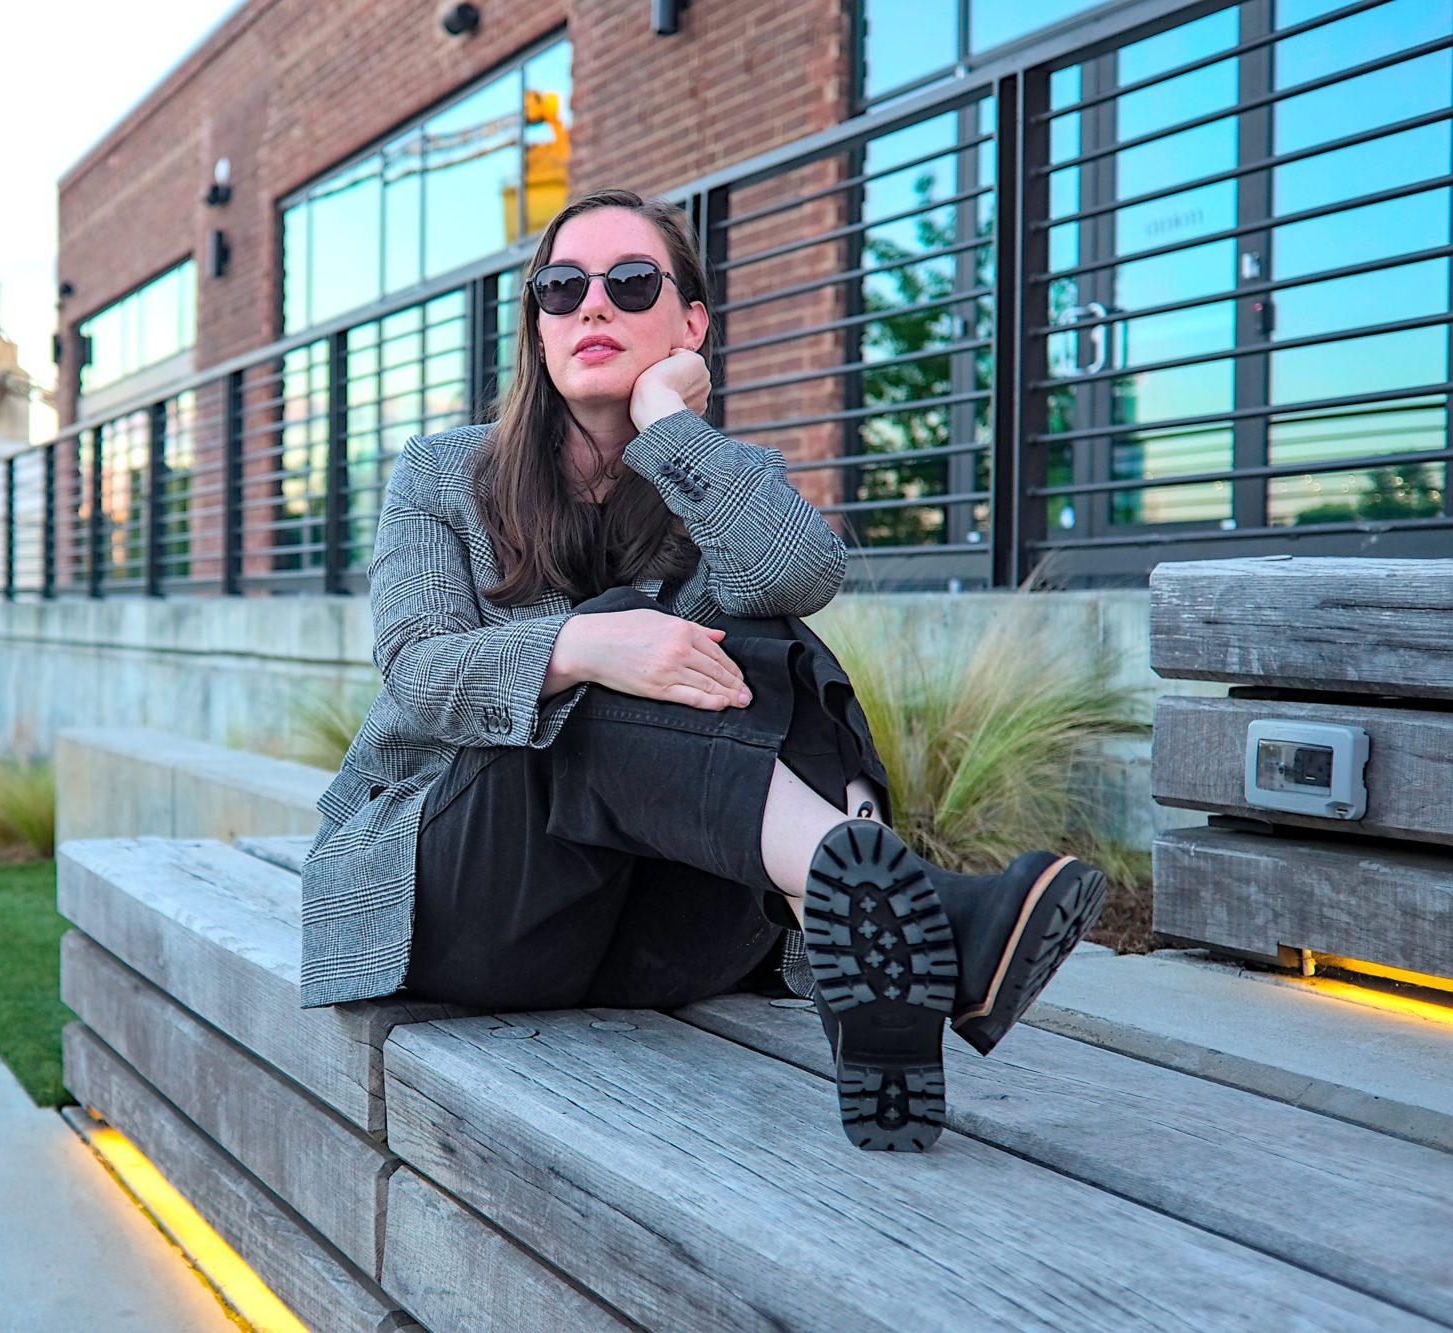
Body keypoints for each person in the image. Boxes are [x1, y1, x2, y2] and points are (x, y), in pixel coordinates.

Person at [298, 187, 1108, 1152]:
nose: (591, 306)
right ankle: (919, 907)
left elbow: (802, 574)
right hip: (467, 904)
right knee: (602, 655)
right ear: (539, 325)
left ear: (691, 322)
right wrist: (588, 648)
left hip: (656, 934)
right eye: (562, 288)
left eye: (629, 283)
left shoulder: (712, 472)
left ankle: (870, 940)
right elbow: (420, 668)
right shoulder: (441, 473)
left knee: (763, 623)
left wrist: (664, 427)